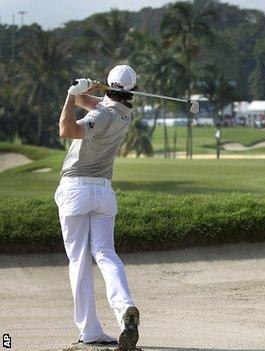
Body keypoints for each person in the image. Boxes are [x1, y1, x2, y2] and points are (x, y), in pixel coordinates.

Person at [55, 65, 140, 350]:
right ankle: (125, 307)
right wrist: (87, 89)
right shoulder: (124, 114)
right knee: (105, 253)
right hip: (103, 193)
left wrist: (70, 95)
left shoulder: (102, 114)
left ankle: (89, 330)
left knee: (79, 259)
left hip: (76, 190)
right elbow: (89, 102)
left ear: (111, 86)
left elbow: (67, 129)